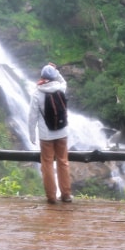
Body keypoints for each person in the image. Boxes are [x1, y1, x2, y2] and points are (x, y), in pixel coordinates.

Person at [28, 63, 71, 203]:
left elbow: (32, 117)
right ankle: (66, 195)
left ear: (42, 77)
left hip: (46, 135)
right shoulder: (60, 88)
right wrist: (56, 71)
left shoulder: (37, 93)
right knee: (63, 162)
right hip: (62, 132)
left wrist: (32, 134)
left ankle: (51, 196)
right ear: (54, 76)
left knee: (47, 164)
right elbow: (63, 81)